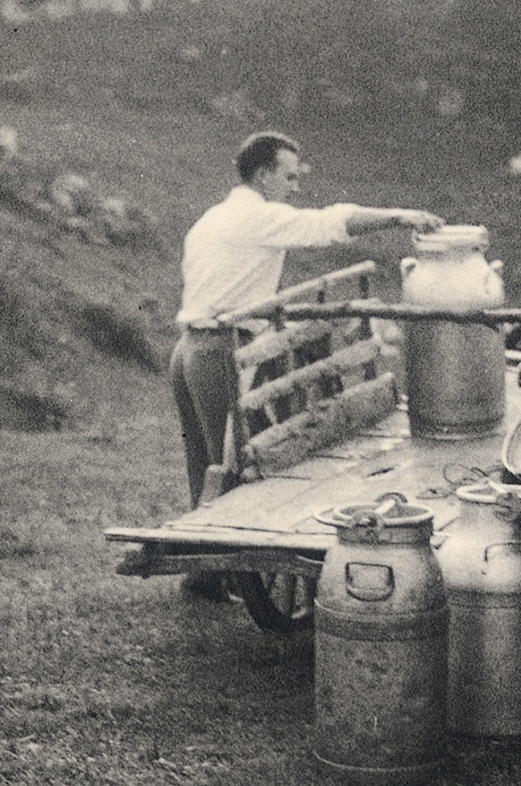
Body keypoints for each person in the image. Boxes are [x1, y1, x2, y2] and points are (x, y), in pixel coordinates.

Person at [171, 130, 444, 599]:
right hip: (217, 351)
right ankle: (221, 571)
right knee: (230, 463)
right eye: (289, 177)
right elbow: (327, 224)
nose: (295, 188)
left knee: (206, 456)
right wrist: (399, 216)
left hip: (190, 348)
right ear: (263, 175)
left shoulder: (216, 217)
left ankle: (204, 575)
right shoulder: (254, 218)